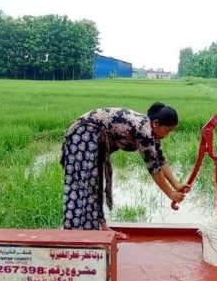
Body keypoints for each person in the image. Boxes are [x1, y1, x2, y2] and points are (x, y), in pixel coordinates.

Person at [60, 102, 190, 239]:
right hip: (83, 135)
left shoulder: (150, 131)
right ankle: (72, 233)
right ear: (156, 123)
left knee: (95, 185)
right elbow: (154, 169)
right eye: (167, 130)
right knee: (82, 185)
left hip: (94, 139)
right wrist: (170, 194)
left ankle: (99, 228)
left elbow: (161, 160)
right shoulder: (144, 130)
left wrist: (177, 185)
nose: (167, 134)